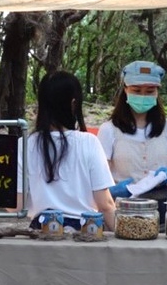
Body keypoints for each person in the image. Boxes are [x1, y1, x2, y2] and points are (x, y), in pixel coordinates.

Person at [24, 71, 117, 229]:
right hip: (85, 231)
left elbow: (15, 205)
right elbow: (105, 204)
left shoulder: (25, 145)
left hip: (41, 233)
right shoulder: (89, 142)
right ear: (74, 104)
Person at [97, 61, 167, 202]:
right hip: (123, 204)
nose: (143, 95)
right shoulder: (109, 130)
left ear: (157, 93)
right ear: (126, 90)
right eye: (137, 91)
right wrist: (113, 191)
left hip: (160, 203)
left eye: (150, 91)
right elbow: (100, 176)